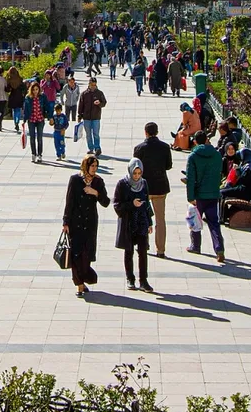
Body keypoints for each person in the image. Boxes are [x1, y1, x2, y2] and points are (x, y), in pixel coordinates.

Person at [62, 154, 110, 297]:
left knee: (87, 254)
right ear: (85, 166)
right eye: (92, 166)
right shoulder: (75, 180)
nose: (94, 169)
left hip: (90, 223)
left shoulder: (98, 181)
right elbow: (69, 202)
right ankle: (79, 285)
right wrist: (66, 222)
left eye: (96, 166)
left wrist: (95, 193)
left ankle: (84, 279)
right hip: (76, 223)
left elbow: (106, 202)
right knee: (76, 254)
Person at [114, 159, 155, 292]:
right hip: (128, 222)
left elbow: (147, 203)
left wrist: (150, 222)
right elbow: (117, 205)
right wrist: (132, 204)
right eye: (134, 173)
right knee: (129, 251)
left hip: (141, 221)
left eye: (139, 173)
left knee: (143, 251)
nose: (137, 176)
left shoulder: (144, 183)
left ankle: (143, 280)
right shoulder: (122, 184)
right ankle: (130, 278)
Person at [184, 130, 225, 263]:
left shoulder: (193, 156)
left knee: (195, 220)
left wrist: (190, 196)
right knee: (214, 222)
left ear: (195, 141)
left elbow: (191, 178)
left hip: (199, 195)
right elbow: (219, 173)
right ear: (207, 139)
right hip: (213, 193)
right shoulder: (217, 155)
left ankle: (195, 245)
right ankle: (219, 249)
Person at [134, 122, 174, 257]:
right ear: (157, 132)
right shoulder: (165, 147)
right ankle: (160, 249)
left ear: (145, 132)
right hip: (160, 186)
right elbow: (168, 166)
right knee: (160, 219)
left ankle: (143, 244)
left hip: (143, 187)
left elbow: (135, 168)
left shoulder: (139, 148)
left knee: (142, 216)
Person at [220, 148, 251, 222]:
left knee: (221, 193)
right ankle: (224, 215)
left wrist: (236, 173)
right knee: (223, 190)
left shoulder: (250, 167)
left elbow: (243, 180)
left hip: (246, 192)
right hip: (248, 191)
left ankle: (221, 217)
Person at [77, 77, 107, 155]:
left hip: (96, 117)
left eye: (94, 85)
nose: (93, 86)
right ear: (89, 84)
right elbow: (81, 105)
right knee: (88, 134)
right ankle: (91, 148)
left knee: (96, 134)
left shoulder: (99, 93)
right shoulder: (84, 94)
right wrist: (79, 116)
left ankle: (97, 148)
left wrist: (99, 103)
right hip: (86, 117)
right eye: (92, 85)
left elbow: (104, 103)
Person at [22, 81, 49, 162]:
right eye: (33, 89)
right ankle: (33, 154)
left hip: (40, 119)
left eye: (37, 89)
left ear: (39, 89)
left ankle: (39, 155)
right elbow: (26, 109)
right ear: (31, 90)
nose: (35, 91)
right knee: (32, 138)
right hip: (31, 120)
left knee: (39, 138)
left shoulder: (43, 96)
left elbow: (47, 106)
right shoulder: (28, 97)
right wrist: (24, 120)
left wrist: (50, 116)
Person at [5, 66, 26, 135]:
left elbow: (7, 90)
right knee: (18, 110)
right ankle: (17, 121)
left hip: (13, 96)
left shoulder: (9, 80)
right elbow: (24, 88)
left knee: (14, 110)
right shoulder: (20, 79)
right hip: (19, 96)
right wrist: (24, 94)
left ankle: (15, 122)